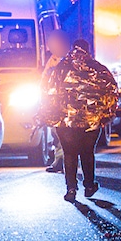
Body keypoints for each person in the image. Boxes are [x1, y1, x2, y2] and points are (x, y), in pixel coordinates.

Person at [39, 38, 118, 202]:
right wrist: (105, 115)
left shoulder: (60, 68)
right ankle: (89, 185)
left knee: (69, 154)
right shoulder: (98, 68)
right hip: (91, 121)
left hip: (66, 121)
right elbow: (111, 91)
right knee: (88, 153)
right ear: (88, 50)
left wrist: (49, 115)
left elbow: (47, 91)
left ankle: (71, 189)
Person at [40, 30, 72, 174]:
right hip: (55, 104)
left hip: (69, 104)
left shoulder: (71, 60)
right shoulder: (52, 60)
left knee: (68, 135)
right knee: (57, 134)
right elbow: (44, 80)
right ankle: (59, 162)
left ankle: (68, 163)